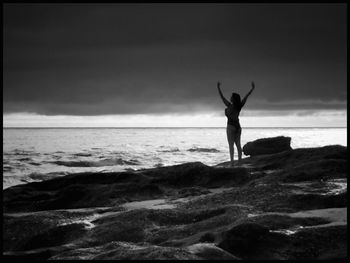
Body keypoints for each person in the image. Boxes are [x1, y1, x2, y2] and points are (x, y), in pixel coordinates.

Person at [217, 81, 255, 167]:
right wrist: (252, 89)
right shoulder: (239, 106)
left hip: (230, 127)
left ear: (233, 98)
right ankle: (240, 162)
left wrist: (218, 87)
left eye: (231, 96)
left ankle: (232, 163)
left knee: (231, 146)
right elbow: (246, 96)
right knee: (238, 145)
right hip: (238, 127)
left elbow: (222, 97)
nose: (230, 97)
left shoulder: (229, 105)